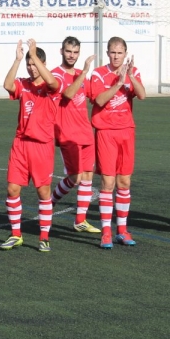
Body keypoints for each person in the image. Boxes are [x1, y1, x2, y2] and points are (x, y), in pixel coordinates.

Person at [0, 39, 60, 251]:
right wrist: (18, 60)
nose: (31, 67)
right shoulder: (24, 84)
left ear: (43, 63)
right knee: (12, 188)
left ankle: (44, 237)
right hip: (21, 144)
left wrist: (34, 53)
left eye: (35, 63)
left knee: (43, 193)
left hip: (42, 146)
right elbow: (8, 85)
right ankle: (16, 234)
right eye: (29, 64)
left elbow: (53, 82)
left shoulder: (51, 86)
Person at [87, 37, 146, 249]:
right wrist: (119, 83)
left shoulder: (133, 72)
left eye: (119, 53)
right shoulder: (98, 74)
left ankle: (122, 230)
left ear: (125, 53)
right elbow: (100, 100)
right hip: (106, 132)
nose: (116, 56)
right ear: (107, 53)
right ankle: (106, 232)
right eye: (112, 52)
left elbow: (142, 96)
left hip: (126, 131)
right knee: (108, 183)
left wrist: (129, 76)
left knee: (124, 183)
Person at [49, 37, 101, 234]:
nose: (72, 56)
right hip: (67, 133)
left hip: (85, 132)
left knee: (87, 176)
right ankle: (51, 202)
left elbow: (93, 96)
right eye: (69, 51)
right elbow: (68, 94)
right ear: (61, 51)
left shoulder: (81, 75)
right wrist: (85, 72)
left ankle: (80, 220)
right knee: (74, 177)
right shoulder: (57, 75)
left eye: (75, 52)